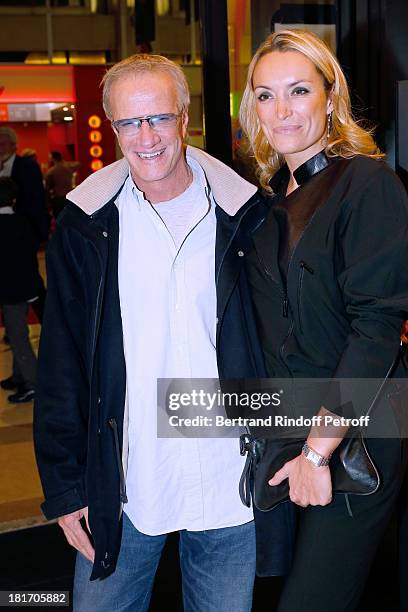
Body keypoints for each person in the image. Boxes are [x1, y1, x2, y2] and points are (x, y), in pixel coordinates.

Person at [33, 53, 292, 612]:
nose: (145, 137)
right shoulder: (86, 227)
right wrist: (64, 487)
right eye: (129, 122)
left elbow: (280, 341)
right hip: (126, 482)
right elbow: (62, 364)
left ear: (185, 116)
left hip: (229, 481)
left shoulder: (247, 216)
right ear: (111, 126)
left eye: (159, 119)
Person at [236, 29, 408, 611]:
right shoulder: (264, 200)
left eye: (298, 91)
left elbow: (377, 327)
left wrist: (317, 451)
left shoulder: (367, 184)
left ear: (330, 99)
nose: (281, 111)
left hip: (356, 432)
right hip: (288, 426)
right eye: (265, 95)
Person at [0, 127, 49, 322]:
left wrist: (36, 234)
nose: (0, 148)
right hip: (4, 233)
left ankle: (48, 321)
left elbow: (36, 201)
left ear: (13, 145)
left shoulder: (26, 166)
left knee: (30, 279)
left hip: (22, 233)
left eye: (3, 144)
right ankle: (13, 324)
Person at [0, 178, 38, 403]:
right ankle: (18, 375)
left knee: (18, 336)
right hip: (25, 288)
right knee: (17, 333)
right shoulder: (22, 221)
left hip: (11, 292)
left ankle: (33, 383)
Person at [45, 151, 78, 219]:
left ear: (52, 158)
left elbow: (48, 187)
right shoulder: (69, 167)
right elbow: (78, 164)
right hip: (69, 197)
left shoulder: (51, 171)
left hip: (58, 199)